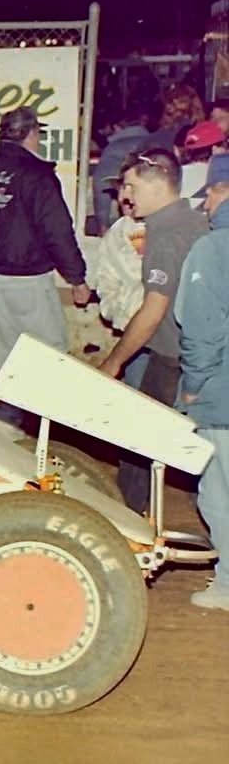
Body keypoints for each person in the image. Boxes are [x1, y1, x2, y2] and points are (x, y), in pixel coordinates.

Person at [0, 106, 91, 439]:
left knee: (12, 361)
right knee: (52, 360)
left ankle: (12, 433)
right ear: (32, 133)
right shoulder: (36, 175)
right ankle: (29, 431)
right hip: (29, 281)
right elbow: (57, 231)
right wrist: (77, 278)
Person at [97, 150, 210, 514]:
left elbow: (152, 310)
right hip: (201, 357)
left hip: (174, 359)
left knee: (140, 442)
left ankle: (123, 521)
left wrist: (114, 362)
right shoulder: (196, 223)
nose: (126, 196)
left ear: (157, 182)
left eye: (131, 185)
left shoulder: (166, 234)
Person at [174, 153, 229, 611]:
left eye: (210, 192)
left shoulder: (212, 250)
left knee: (220, 493)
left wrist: (193, 386)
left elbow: (203, 329)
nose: (206, 204)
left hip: (223, 399)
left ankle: (228, 584)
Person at [89, 188, 149, 389]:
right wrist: (118, 311)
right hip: (134, 334)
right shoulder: (118, 233)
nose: (125, 200)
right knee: (138, 392)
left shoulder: (169, 228)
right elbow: (106, 279)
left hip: (170, 336)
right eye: (121, 194)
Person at [91, 107, 150, 233]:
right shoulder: (156, 142)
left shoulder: (114, 148)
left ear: (116, 127)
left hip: (124, 218)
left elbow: (102, 184)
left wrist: (102, 224)